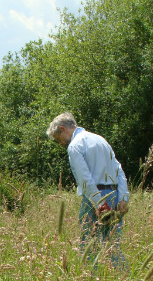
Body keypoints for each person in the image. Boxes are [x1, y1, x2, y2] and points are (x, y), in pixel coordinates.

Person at [46, 112, 129, 268]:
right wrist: (123, 197)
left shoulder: (75, 146)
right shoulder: (101, 140)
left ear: (63, 129)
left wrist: (99, 203)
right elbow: (119, 169)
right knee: (113, 244)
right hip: (115, 195)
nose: (61, 143)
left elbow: (85, 180)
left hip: (95, 197)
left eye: (59, 139)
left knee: (88, 244)